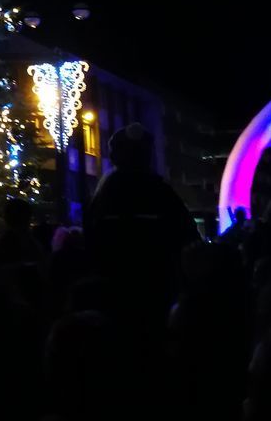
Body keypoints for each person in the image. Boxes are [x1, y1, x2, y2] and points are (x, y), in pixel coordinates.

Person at [84, 122, 199, 311]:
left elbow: (90, 242)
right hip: (157, 290)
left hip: (113, 292)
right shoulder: (161, 192)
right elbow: (187, 237)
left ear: (114, 157)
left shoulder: (102, 196)